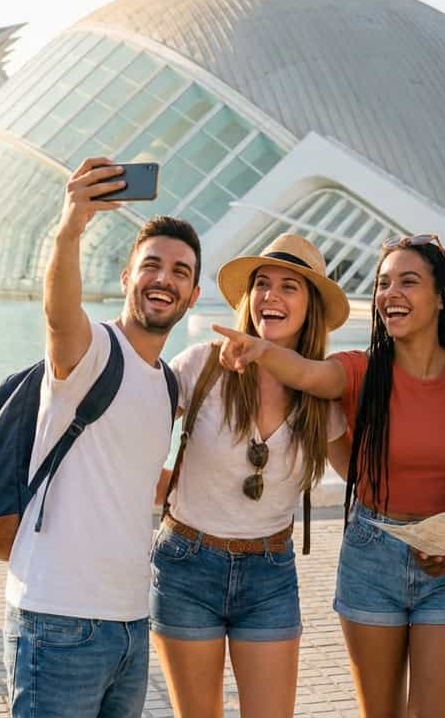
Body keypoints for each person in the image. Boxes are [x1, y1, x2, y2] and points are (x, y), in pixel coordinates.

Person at [214, 234, 445, 717]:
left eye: (408, 282)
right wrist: (258, 348)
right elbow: (306, 373)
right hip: (372, 555)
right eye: (383, 283)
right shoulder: (359, 369)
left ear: (442, 296)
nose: (390, 294)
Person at [4, 157, 201, 718]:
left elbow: (137, 480)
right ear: (126, 278)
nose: (164, 279)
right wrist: (70, 228)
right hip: (57, 618)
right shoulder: (90, 351)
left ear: (192, 294)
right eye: (151, 265)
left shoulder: (167, 384)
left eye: (180, 272)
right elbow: (59, 312)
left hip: (131, 623)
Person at [151, 234, 349, 718]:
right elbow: (128, 443)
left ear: (310, 307)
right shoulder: (202, 365)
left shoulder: (320, 392)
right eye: (262, 284)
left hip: (269, 572)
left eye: (288, 287)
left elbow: (363, 479)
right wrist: (170, 488)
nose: (270, 296)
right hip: (186, 564)